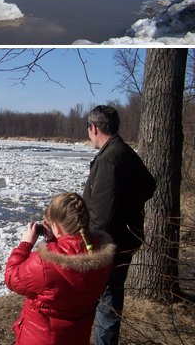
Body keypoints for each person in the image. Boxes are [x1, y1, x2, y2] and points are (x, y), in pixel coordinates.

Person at [83, 105, 156, 345]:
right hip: (125, 239)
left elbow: (100, 216)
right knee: (111, 299)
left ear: (94, 128)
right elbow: (149, 185)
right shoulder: (124, 151)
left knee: (106, 302)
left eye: (88, 128)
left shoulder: (109, 158)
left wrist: (88, 246)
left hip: (109, 245)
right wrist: (128, 206)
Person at [4, 192, 115, 345]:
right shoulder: (101, 255)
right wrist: (53, 241)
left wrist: (25, 245)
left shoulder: (44, 263)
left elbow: (12, 278)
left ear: (55, 226)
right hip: (77, 336)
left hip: (41, 338)